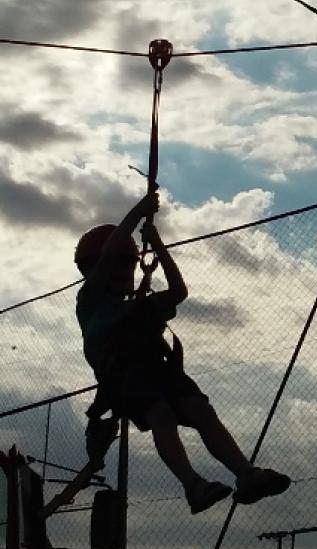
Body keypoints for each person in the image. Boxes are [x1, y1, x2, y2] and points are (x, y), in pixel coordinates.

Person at [74, 191, 290, 514]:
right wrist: (139, 211)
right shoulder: (90, 301)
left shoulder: (140, 306)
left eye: (126, 266)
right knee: (160, 413)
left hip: (156, 369)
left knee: (200, 410)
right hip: (124, 376)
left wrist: (158, 245)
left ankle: (246, 474)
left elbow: (178, 292)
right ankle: (193, 485)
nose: (122, 273)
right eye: (116, 265)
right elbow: (110, 253)